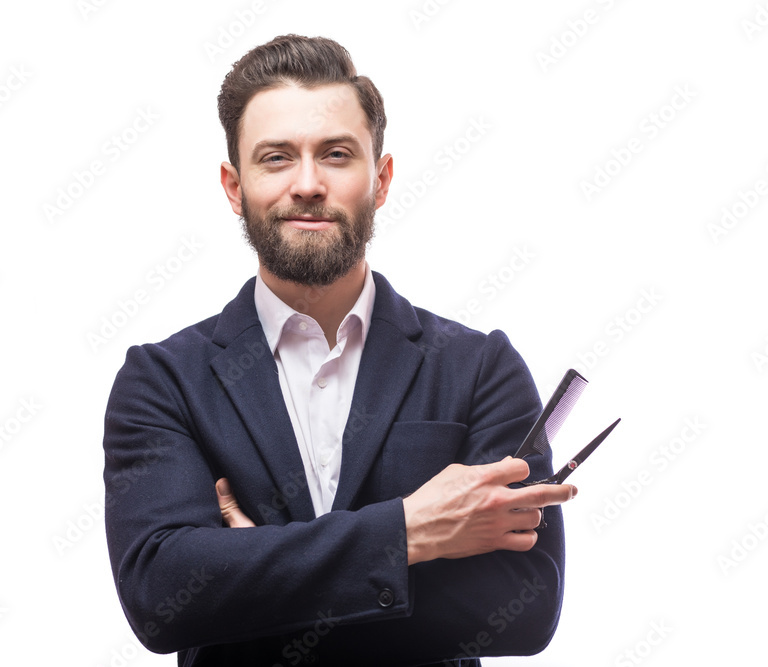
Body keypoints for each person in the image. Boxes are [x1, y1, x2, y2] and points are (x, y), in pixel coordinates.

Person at [103, 34, 577, 667]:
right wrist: (410, 532)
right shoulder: (163, 380)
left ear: (379, 179)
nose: (307, 184)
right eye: (275, 158)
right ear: (232, 185)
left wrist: (259, 572)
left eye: (335, 154)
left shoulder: (479, 369)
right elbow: (163, 597)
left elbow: (525, 606)